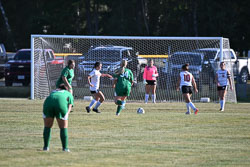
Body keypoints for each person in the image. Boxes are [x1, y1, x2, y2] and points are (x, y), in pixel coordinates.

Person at [42, 84, 74, 152]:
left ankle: (45, 147)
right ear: (66, 89)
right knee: (63, 127)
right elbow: (69, 106)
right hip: (60, 104)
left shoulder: (53, 92)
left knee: (47, 126)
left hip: (48, 104)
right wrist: (66, 115)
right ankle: (65, 148)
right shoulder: (68, 93)